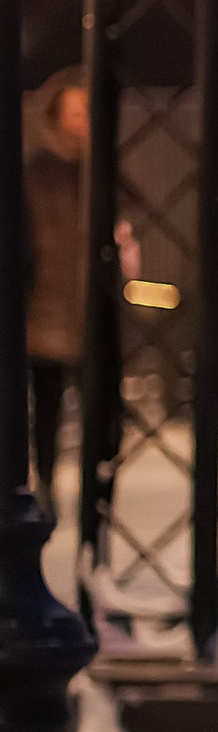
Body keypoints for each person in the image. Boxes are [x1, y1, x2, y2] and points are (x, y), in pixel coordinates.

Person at [23, 68, 86, 512]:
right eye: (75, 112)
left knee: (104, 413)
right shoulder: (38, 173)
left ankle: (96, 493)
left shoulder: (97, 173)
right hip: (43, 309)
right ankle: (43, 484)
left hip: (84, 309)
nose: (82, 122)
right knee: (45, 408)